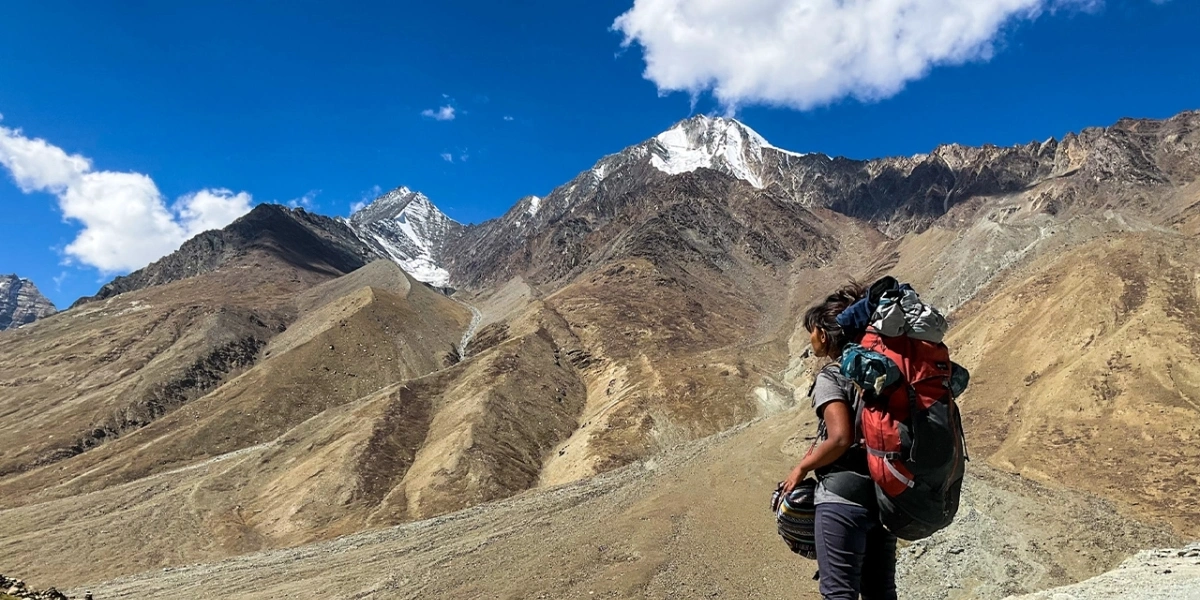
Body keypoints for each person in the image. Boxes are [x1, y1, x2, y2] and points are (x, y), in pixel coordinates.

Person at [781, 282, 897, 600]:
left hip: (843, 501)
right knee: (881, 593)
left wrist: (801, 467)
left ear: (823, 332)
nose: (810, 338)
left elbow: (841, 438)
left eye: (811, 331)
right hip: (885, 498)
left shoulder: (832, 376)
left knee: (839, 592)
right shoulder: (883, 370)